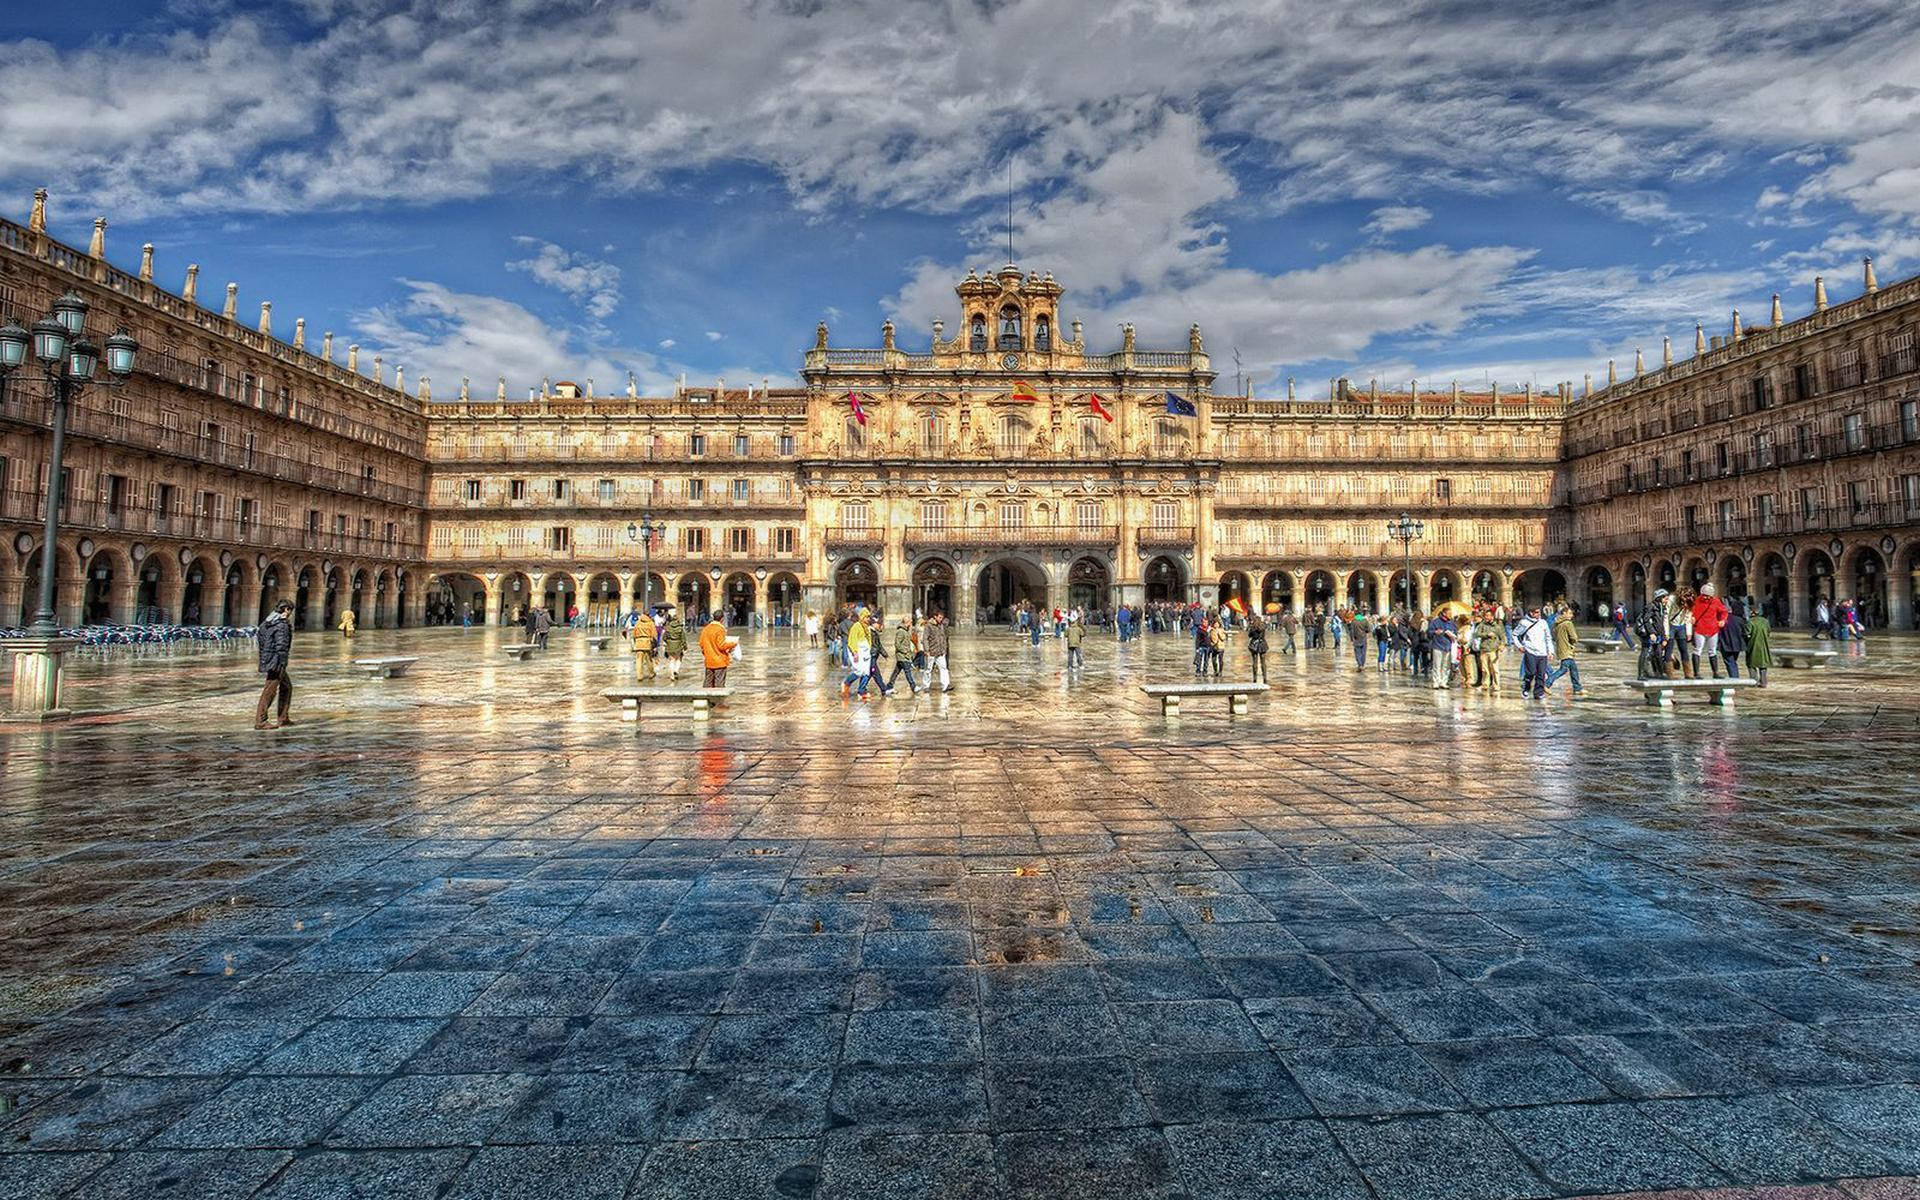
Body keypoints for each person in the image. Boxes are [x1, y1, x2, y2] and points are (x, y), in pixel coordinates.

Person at [255, 599, 296, 730]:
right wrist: (282, 662)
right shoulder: (281, 625)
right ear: (286, 610)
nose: (290, 613)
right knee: (270, 690)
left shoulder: (267, 622)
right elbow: (282, 646)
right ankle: (261, 721)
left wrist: (265, 654)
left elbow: (260, 637)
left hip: (270, 658)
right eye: (290, 610)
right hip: (277, 661)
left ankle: (283, 718)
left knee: (287, 687)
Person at [1543, 602, 1585, 698]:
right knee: (1563, 669)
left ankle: (1577, 688)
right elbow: (1574, 637)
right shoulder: (1567, 623)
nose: (1572, 615)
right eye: (1570, 613)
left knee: (1573, 669)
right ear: (1564, 613)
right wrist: (1574, 641)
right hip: (1567, 650)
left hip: (1561, 649)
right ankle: (1547, 683)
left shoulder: (1557, 623)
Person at [1691, 582, 1730, 678]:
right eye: (1705, 596)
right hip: (1700, 628)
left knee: (1713, 651)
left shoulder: (1716, 601)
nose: (1706, 598)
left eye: (1709, 596)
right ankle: (1696, 673)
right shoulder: (1696, 601)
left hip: (1713, 629)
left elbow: (1724, 612)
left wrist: (1722, 620)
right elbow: (1691, 612)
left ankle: (1715, 672)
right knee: (1698, 650)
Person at [1514, 602, 1553, 699]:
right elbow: (1515, 634)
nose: (1538, 614)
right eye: (1536, 612)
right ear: (1531, 613)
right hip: (1530, 651)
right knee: (1531, 672)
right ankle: (1526, 688)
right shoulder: (1524, 623)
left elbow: (1548, 637)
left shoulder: (1543, 623)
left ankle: (1538, 692)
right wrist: (1519, 646)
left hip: (1542, 652)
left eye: (1539, 612)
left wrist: (1550, 651)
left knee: (1541, 674)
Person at [1635, 592, 1671, 679]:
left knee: (1658, 653)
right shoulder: (1650, 606)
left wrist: (1664, 637)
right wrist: (1651, 633)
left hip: (1657, 634)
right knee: (1645, 652)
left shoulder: (1662, 608)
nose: (1667, 600)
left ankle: (1660, 673)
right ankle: (1641, 674)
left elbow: (1660, 624)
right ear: (1660, 598)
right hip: (1648, 634)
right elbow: (1646, 620)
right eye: (1665, 598)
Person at [699, 613, 738, 687]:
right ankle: (718, 699)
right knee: (719, 684)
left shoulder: (706, 628)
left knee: (708, 683)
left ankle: (707, 697)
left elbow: (701, 644)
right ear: (722, 619)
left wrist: (707, 653)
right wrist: (733, 643)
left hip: (709, 661)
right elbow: (721, 645)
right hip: (719, 661)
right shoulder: (720, 629)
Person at [841, 607, 873, 699]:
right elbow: (853, 639)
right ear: (862, 617)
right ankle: (846, 683)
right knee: (859, 671)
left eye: (868, 617)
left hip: (866, 653)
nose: (868, 619)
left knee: (866, 672)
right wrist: (855, 652)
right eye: (866, 617)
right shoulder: (857, 626)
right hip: (858, 652)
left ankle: (861, 691)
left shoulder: (867, 628)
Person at [885, 615, 920, 693]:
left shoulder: (905, 630)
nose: (911, 624)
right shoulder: (901, 631)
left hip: (903, 656)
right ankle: (913, 686)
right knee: (908, 671)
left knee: (896, 672)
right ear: (907, 622)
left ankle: (889, 686)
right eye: (910, 622)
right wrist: (905, 652)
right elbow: (897, 644)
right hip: (903, 656)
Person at [1744, 599, 1774, 687]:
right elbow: (1768, 632)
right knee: (1763, 665)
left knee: (1751, 664)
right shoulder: (1765, 621)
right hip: (1764, 646)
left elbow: (1747, 634)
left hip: (1753, 646)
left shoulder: (1750, 622)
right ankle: (1763, 682)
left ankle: (1754, 682)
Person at [1717, 597, 1747, 680]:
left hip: (1726, 644)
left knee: (1730, 662)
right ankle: (1734, 677)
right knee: (1733, 661)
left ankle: (1734, 678)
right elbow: (1745, 633)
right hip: (1737, 645)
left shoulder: (1723, 619)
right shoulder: (1740, 620)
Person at [924, 611, 952, 692]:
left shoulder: (941, 626)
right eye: (939, 617)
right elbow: (925, 638)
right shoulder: (928, 626)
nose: (941, 619)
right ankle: (926, 685)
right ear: (935, 617)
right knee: (928, 669)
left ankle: (945, 685)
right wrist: (926, 650)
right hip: (931, 651)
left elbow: (944, 637)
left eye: (941, 618)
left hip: (940, 651)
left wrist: (944, 648)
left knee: (944, 668)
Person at [1428, 610, 1456, 690]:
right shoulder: (1435, 622)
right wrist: (1435, 632)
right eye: (1449, 613)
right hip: (1438, 645)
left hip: (1448, 646)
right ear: (1444, 614)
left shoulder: (1451, 623)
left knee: (1446, 665)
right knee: (1437, 665)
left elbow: (1455, 632)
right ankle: (1436, 682)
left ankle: (1444, 682)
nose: (1451, 615)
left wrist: (1453, 634)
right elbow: (1429, 632)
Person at [660, 605, 688, 681]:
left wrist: (667, 642)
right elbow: (683, 638)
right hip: (678, 646)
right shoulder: (680, 628)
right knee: (678, 659)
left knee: (671, 660)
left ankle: (672, 675)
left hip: (669, 646)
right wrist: (685, 646)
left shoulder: (667, 628)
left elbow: (664, 638)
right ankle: (676, 670)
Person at [630, 606, 659, 680]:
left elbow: (634, 634)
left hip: (639, 642)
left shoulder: (638, 623)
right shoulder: (650, 623)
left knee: (639, 660)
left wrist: (635, 641)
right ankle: (651, 673)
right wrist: (655, 644)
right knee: (648, 659)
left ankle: (639, 676)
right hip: (647, 642)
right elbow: (654, 634)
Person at [1246, 612, 1268, 682]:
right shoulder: (1263, 626)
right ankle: (1265, 677)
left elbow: (1249, 635)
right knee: (1263, 662)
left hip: (1254, 644)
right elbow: (1264, 633)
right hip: (1262, 644)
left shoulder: (1253, 627)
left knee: (1254, 662)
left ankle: (1255, 678)